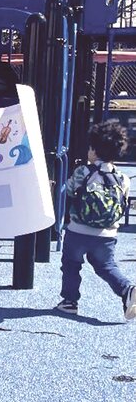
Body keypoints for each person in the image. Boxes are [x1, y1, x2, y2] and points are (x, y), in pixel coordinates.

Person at [55, 120, 136, 319]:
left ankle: (69, 302)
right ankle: (127, 290)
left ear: (94, 150)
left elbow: (69, 189)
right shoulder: (123, 178)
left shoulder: (83, 172)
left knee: (71, 264)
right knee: (106, 266)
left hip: (78, 230)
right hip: (107, 234)